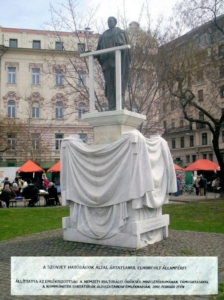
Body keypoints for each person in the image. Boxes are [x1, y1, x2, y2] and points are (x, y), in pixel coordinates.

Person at [96, 16, 131, 110]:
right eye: (108, 21)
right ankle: (111, 106)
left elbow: (125, 48)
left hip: (117, 63)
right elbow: (98, 50)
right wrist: (92, 53)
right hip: (107, 64)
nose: (109, 22)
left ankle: (120, 105)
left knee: (118, 85)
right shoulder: (103, 35)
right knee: (110, 85)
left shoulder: (120, 32)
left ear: (115, 22)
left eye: (111, 21)